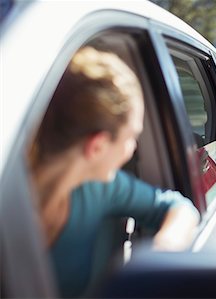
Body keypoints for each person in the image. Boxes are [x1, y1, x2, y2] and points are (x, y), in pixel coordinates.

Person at [28, 47, 200, 297]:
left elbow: (178, 207)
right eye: (131, 138)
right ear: (97, 146)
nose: (131, 151)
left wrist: (163, 253)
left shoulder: (99, 187)